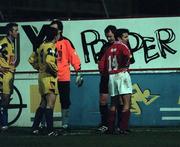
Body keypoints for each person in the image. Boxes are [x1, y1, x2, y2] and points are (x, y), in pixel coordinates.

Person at [50, 20, 83, 131]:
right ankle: (47, 124)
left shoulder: (66, 42)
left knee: (65, 101)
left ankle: (64, 124)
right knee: (48, 101)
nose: (52, 30)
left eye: (54, 28)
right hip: (50, 77)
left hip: (63, 76)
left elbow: (74, 57)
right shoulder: (47, 42)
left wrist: (78, 71)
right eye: (51, 28)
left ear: (60, 30)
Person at [98, 28, 132, 134]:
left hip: (111, 76)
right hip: (122, 74)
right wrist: (125, 64)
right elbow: (128, 56)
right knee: (127, 103)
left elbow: (101, 64)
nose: (127, 39)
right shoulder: (123, 46)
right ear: (119, 38)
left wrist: (106, 72)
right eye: (125, 37)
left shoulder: (109, 48)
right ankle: (122, 128)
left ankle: (111, 128)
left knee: (113, 103)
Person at [29, 26, 59, 136]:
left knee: (43, 103)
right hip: (49, 77)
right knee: (50, 104)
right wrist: (56, 71)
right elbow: (49, 61)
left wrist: (39, 68)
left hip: (41, 77)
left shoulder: (41, 46)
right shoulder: (51, 46)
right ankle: (50, 130)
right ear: (55, 36)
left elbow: (31, 59)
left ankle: (34, 128)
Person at [96, 25, 117, 133]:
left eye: (110, 36)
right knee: (103, 101)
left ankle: (117, 125)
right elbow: (99, 60)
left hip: (117, 77)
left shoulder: (121, 46)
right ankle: (105, 124)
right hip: (105, 77)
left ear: (115, 34)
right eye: (107, 37)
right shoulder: (104, 47)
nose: (109, 39)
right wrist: (101, 70)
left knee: (118, 101)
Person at [0, 23, 19, 131]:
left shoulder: (11, 43)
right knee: (5, 99)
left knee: (6, 99)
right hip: (5, 75)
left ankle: (4, 123)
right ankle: (4, 123)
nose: (17, 32)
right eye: (15, 30)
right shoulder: (3, 43)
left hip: (10, 73)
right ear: (10, 32)